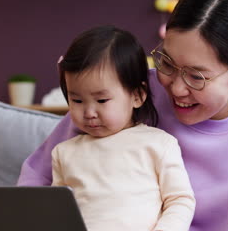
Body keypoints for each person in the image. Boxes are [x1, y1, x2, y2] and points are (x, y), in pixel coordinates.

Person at [18, 0, 228, 231]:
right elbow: (38, 179)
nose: (175, 88)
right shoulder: (126, 93)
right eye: (168, 64)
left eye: (196, 76)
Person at [49, 25, 195, 231]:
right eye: (77, 100)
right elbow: (58, 211)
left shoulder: (158, 144)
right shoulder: (63, 153)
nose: (89, 112)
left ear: (137, 95)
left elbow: (180, 200)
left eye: (101, 100)